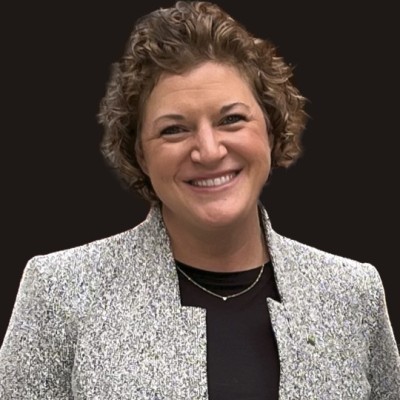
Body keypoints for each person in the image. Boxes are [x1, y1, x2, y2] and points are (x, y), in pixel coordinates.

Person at [0, 1, 399, 398]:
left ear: (271, 129)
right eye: (174, 129)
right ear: (140, 154)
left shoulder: (353, 294)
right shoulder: (60, 292)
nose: (208, 151)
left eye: (231, 119)